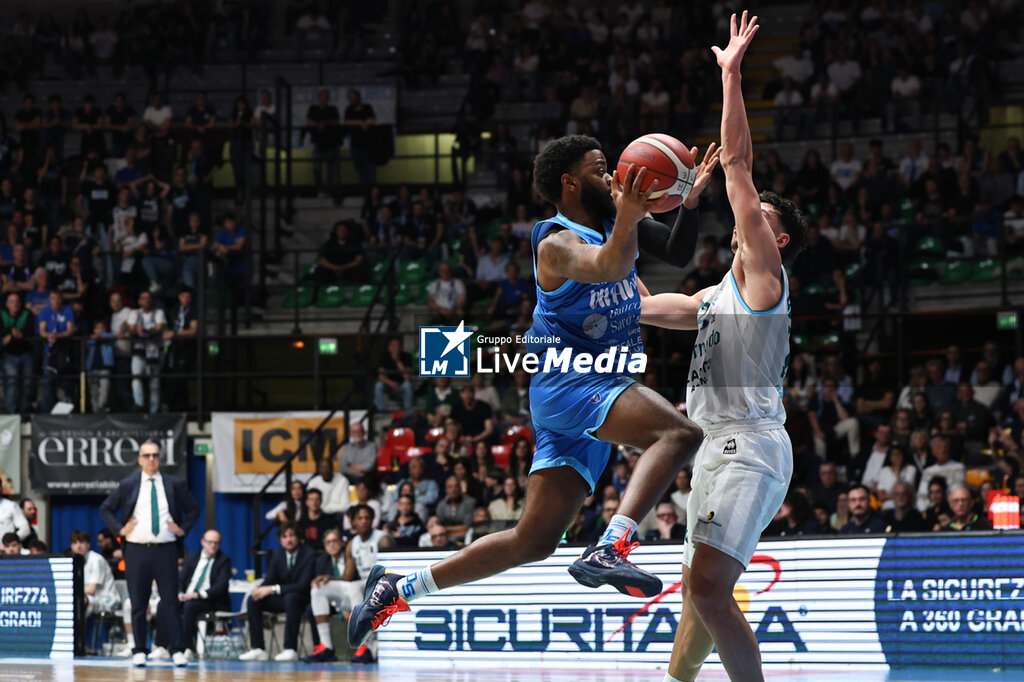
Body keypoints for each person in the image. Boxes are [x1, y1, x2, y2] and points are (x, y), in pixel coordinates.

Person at [349, 125, 718, 645]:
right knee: (679, 433)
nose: (613, 175)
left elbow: (676, 256)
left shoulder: (614, 220)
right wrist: (631, 216)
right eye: (600, 169)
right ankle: (612, 546)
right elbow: (610, 263)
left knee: (533, 540)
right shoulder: (556, 243)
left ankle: (398, 588)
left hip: (591, 388)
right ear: (570, 183)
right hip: (572, 382)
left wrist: (688, 200)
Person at [634, 14, 807, 682]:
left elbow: (737, 164)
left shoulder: (766, 278)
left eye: (762, 214)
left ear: (777, 240)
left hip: (750, 445)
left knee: (708, 591)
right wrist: (627, 218)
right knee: (694, 601)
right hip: (713, 447)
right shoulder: (716, 295)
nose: (749, 212)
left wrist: (731, 75)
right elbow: (643, 305)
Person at [99, 440, 200, 668]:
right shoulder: (128, 484)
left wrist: (182, 529)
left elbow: (194, 509)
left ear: (160, 458)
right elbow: (105, 508)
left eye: (155, 455)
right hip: (136, 549)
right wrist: (120, 529)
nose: (151, 459)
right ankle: (139, 650)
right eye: (147, 455)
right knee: (138, 602)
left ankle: (177, 649)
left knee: (170, 601)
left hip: (166, 548)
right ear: (140, 459)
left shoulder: (174, 484)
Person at [305, 507, 394, 664]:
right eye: (360, 518)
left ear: (373, 520)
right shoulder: (352, 544)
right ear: (353, 522)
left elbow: (393, 571)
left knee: (354, 587)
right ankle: (326, 647)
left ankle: (365, 646)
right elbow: (347, 576)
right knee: (318, 587)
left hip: (383, 588)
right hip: (361, 589)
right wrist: (329, 578)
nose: (364, 521)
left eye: (367, 518)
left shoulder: (383, 539)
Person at [238, 522, 315, 662]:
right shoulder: (278, 555)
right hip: (283, 599)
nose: (289, 540)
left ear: (298, 538)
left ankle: (290, 649)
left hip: (302, 600)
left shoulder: (309, 554)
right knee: (253, 600)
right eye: (285, 537)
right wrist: (259, 590)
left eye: (292, 536)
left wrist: (273, 589)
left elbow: (303, 585)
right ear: (280, 540)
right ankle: (258, 648)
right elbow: (269, 580)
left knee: (291, 598)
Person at [177, 529, 231, 659]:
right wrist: (179, 593)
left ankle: (187, 648)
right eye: (210, 542)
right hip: (187, 597)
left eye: (216, 543)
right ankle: (161, 646)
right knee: (165, 604)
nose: (213, 545)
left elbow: (221, 586)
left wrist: (199, 595)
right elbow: (180, 579)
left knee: (190, 606)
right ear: (203, 542)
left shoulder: (224, 560)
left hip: (210, 601)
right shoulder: (192, 557)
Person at [70, 530, 120, 617]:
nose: (78, 546)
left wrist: (69, 592)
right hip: (92, 599)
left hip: (107, 600)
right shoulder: (74, 562)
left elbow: (91, 590)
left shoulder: (96, 560)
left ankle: (79, 626)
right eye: (75, 543)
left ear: (88, 545)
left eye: (81, 542)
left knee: (80, 601)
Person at [130, 290, 165, 413]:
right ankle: (139, 404)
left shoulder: (158, 312)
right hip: (139, 350)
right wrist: (136, 330)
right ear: (139, 301)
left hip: (154, 351)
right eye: (143, 298)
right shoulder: (134, 313)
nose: (146, 301)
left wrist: (145, 330)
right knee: (136, 376)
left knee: (154, 382)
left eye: (149, 298)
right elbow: (131, 330)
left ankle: (154, 410)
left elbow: (159, 329)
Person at [1, 291, 34, 414]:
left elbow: (31, 331)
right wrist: (10, 332)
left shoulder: (27, 313)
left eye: (17, 301)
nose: (15, 304)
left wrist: (21, 334)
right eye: (11, 302)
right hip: (9, 354)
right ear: (7, 304)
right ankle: (11, 412)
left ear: (20, 303)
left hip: (26, 353)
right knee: (12, 381)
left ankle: (24, 411)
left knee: (27, 382)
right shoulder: (2, 314)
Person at [306, 89, 342, 199]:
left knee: (331, 170)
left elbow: (336, 121)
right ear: (319, 97)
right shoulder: (313, 109)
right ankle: (320, 189)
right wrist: (318, 125)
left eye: (326, 97)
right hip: (318, 143)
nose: (324, 99)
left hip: (331, 143)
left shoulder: (332, 109)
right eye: (322, 96)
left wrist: (324, 123)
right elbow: (309, 122)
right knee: (317, 168)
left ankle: (329, 190)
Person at [343, 89, 377, 191]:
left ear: (358, 97)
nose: (352, 99)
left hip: (369, 145)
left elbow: (372, 120)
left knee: (371, 170)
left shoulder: (367, 107)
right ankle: (365, 192)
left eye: (353, 97)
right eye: (350, 97)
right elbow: (347, 122)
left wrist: (366, 123)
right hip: (356, 145)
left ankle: (373, 192)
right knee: (360, 171)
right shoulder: (349, 109)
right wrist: (360, 123)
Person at [374, 336, 413, 411]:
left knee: (408, 385)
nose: (397, 348)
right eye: (394, 346)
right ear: (389, 348)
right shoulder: (384, 357)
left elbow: (407, 377)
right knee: (378, 385)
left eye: (398, 346)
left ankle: (407, 411)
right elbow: (380, 376)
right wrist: (390, 383)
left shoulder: (407, 356)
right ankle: (381, 412)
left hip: (401, 385)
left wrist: (397, 361)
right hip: (389, 385)